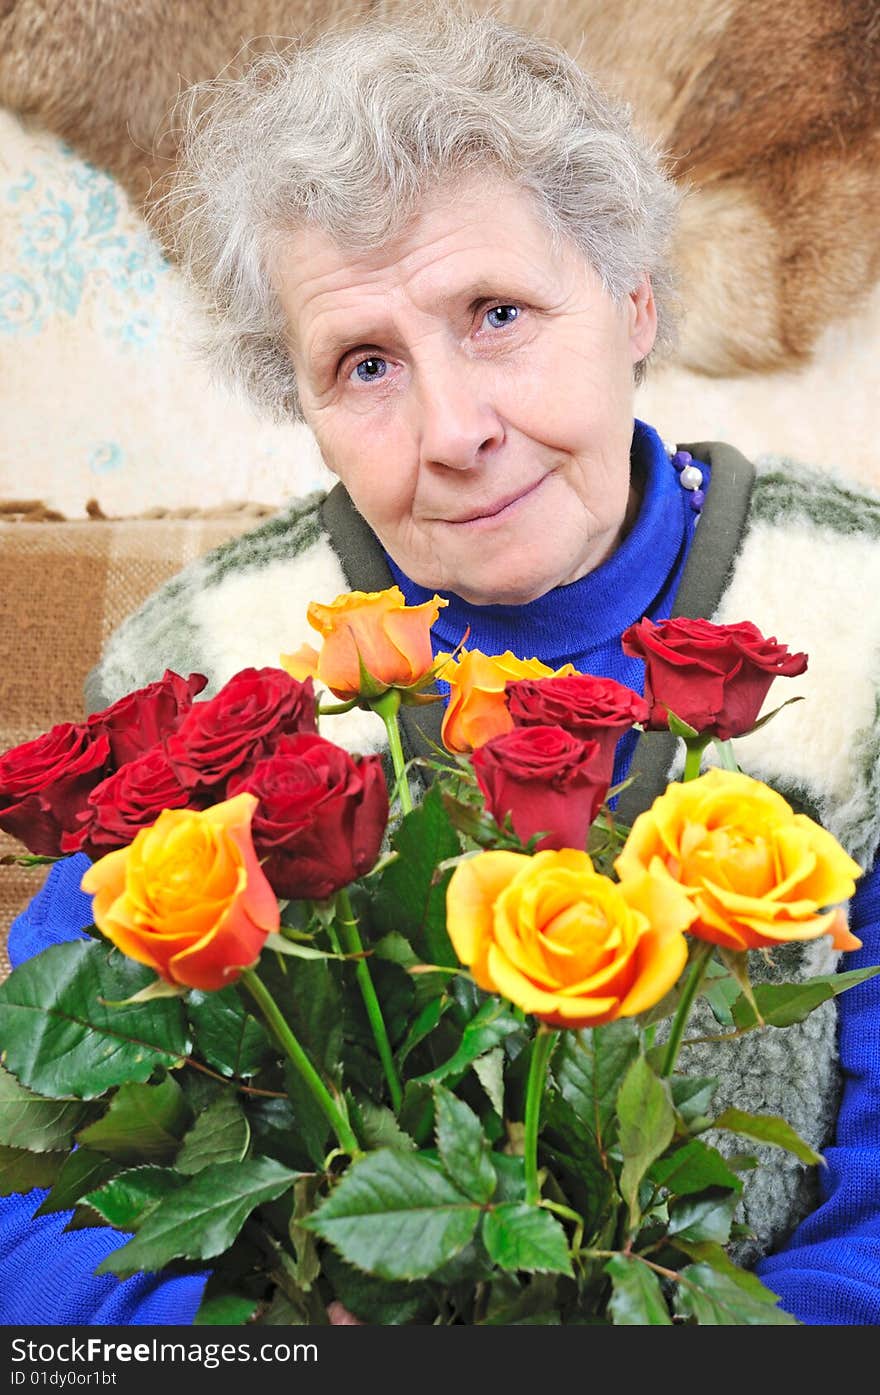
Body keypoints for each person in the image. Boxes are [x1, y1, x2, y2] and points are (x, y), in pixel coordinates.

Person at [3, 8, 880, 1326]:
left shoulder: (857, 611)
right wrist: (259, 1342)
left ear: (634, 302)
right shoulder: (208, 667)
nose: (455, 429)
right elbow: (37, 1166)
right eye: (365, 363)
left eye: (499, 314)